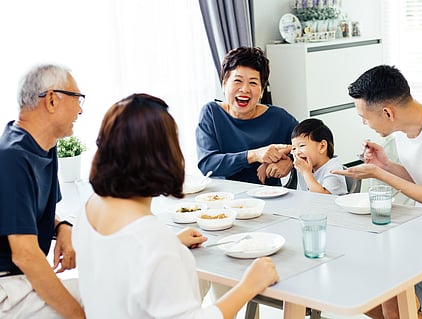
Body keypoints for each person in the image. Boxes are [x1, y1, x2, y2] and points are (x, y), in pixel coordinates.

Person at [73, 93, 279, 319]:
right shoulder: (153, 241)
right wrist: (248, 286)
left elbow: (119, 262)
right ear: (163, 154)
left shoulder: (89, 208)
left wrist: (171, 243)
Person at [332, 65, 422, 319]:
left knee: (395, 302)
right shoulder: (405, 129)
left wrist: (380, 174)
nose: (364, 123)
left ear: (388, 112)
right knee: (358, 288)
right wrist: (385, 164)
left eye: (364, 117)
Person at [0, 64, 85, 318]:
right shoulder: (11, 158)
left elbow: (28, 214)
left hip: (19, 281)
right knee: (108, 297)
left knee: (113, 290)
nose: (80, 109)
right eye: (77, 98)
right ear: (51, 100)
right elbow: (25, 254)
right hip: (7, 289)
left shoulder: (44, 147)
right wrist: (77, 315)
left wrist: (62, 227)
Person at [196, 46, 298, 186]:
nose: (244, 89)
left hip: (268, 200)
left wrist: (290, 162)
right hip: (222, 200)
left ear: (262, 91)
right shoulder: (212, 113)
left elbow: (314, 147)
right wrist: (254, 155)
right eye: (237, 81)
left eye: (253, 83)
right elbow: (208, 165)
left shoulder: (278, 118)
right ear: (224, 85)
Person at [291, 118, 347, 194]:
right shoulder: (303, 165)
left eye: (302, 145)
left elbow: (324, 199)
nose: (297, 152)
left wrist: (306, 173)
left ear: (322, 146)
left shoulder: (333, 169)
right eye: (294, 148)